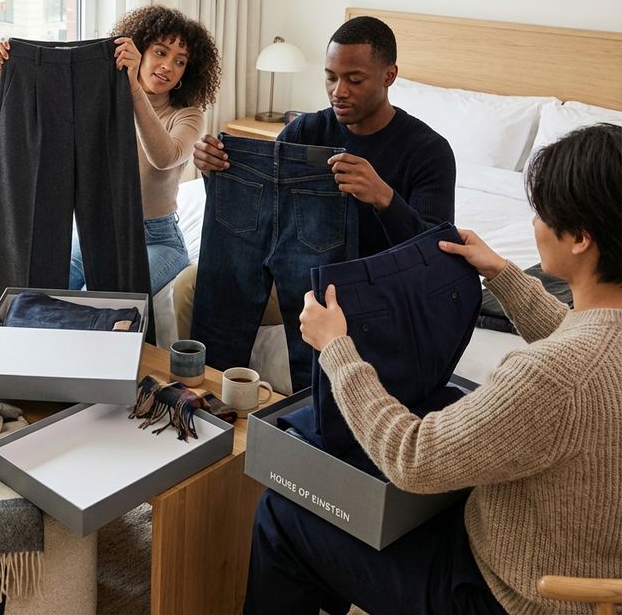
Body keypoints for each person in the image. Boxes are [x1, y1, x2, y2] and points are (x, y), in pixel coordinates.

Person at [244, 123, 622, 615]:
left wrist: (338, 350)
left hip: (512, 596)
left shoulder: (547, 376)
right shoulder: (592, 346)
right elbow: (581, 341)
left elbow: (412, 458)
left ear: (581, 239)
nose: (536, 224)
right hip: (589, 567)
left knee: (283, 512)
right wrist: (503, 274)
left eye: (543, 213)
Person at [175, 16, 456, 383]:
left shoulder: (428, 151)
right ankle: (202, 393)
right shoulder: (305, 131)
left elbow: (436, 255)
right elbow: (266, 217)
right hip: (296, 272)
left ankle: (304, 421)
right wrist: (219, 175)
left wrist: (384, 198)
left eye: (354, 79)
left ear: (389, 76)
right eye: (330, 77)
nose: (339, 90)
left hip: (369, 284)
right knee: (189, 286)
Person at [0, 4, 222, 296]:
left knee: (97, 302)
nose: (167, 66)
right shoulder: (104, 101)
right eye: (161, 52)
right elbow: (56, 119)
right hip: (102, 233)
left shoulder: (188, 115)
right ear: (141, 50)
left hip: (159, 240)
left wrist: (133, 88)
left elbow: (164, 157)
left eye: (180, 62)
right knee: (36, 289)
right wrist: (15, 74)